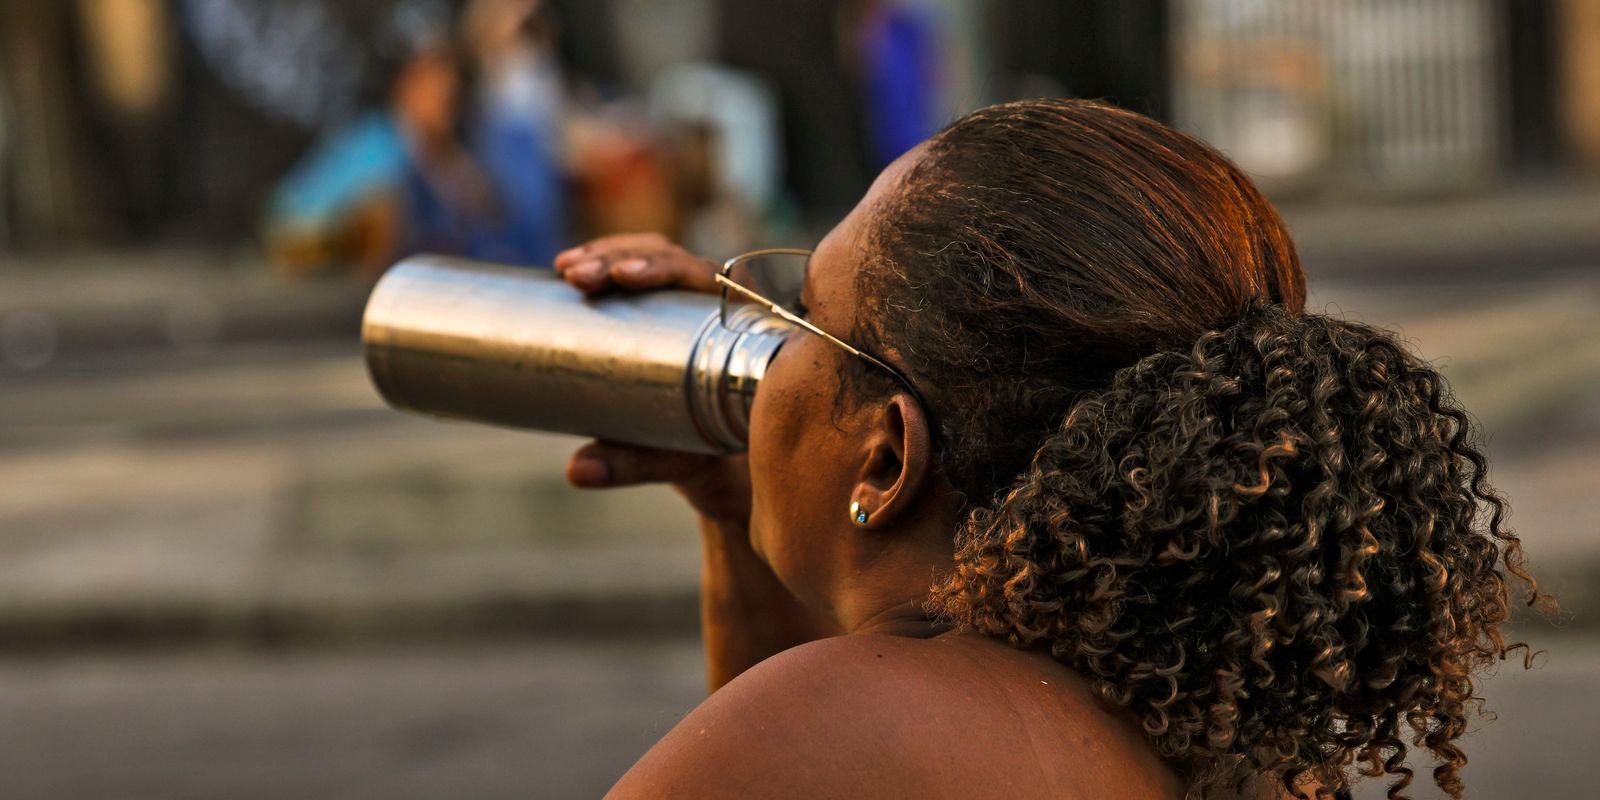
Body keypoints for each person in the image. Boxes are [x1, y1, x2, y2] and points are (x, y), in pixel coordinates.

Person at [552, 99, 1546, 800]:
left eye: (803, 312)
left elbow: (809, 739)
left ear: (888, 458)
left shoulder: (850, 722)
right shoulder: (1240, 747)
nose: (768, 348)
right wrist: (744, 513)